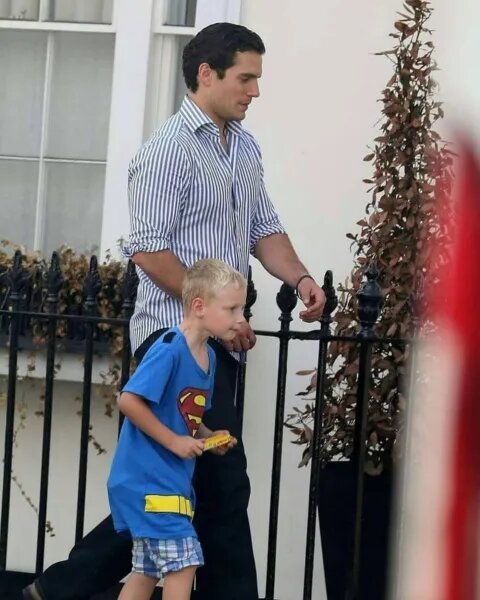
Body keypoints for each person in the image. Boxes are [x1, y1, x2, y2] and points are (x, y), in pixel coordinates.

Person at [23, 21, 326, 600]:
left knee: (188, 485)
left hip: (217, 342)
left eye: (257, 79)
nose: (255, 91)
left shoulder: (243, 145)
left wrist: (302, 277)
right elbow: (148, 247)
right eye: (246, 78)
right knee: (219, 483)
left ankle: (60, 588)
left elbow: (263, 226)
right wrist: (214, 314)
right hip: (173, 342)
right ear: (206, 74)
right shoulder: (168, 149)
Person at [108, 259, 243, 600]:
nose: (241, 319)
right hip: (149, 481)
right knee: (184, 564)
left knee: (146, 571)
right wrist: (174, 442)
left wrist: (207, 437)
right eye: (231, 309)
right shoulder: (169, 348)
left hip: (170, 484)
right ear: (199, 306)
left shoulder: (208, 358)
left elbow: (188, 417)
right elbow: (128, 401)